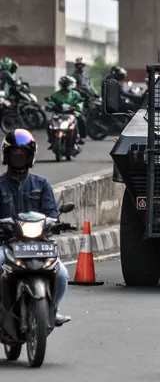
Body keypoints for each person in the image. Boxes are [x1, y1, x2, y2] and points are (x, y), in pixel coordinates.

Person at [0, 129, 71, 326]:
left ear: (30, 157)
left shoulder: (42, 184)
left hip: (38, 246)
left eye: (23, 155)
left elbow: (52, 213)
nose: (18, 158)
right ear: (7, 156)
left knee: (62, 274)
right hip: (7, 246)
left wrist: (56, 223)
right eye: (15, 154)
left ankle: (52, 310)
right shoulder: (0, 185)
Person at [46, 76, 86, 146]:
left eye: (67, 84)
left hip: (72, 113)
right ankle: (51, 138)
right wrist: (49, 107)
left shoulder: (75, 94)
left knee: (81, 119)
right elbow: (51, 102)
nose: (65, 86)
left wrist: (78, 107)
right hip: (59, 113)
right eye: (64, 84)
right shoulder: (55, 94)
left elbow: (80, 102)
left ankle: (80, 137)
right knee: (49, 123)